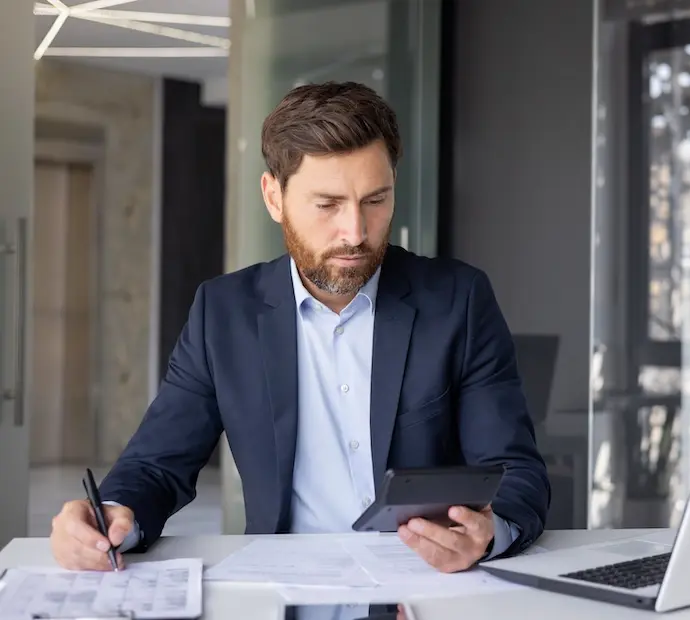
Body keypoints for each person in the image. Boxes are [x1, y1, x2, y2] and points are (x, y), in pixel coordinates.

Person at [49, 81, 550, 574]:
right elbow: (157, 464)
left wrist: (488, 534)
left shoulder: (458, 301)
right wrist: (111, 518)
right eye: (328, 204)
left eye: (375, 200)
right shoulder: (222, 313)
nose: (355, 232)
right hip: (284, 584)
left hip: (426, 583)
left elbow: (515, 471)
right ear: (274, 197)